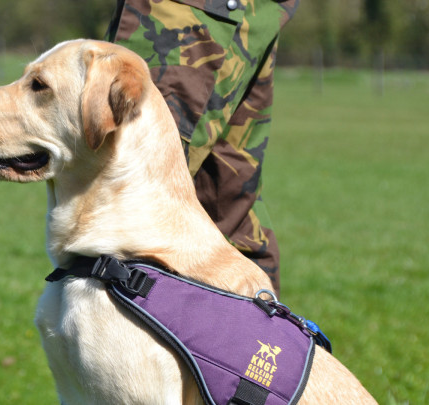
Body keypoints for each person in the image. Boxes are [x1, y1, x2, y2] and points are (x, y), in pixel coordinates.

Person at [105, 0, 299, 296]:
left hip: (189, 9)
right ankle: (257, 341)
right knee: (227, 215)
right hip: (249, 10)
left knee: (121, 206)